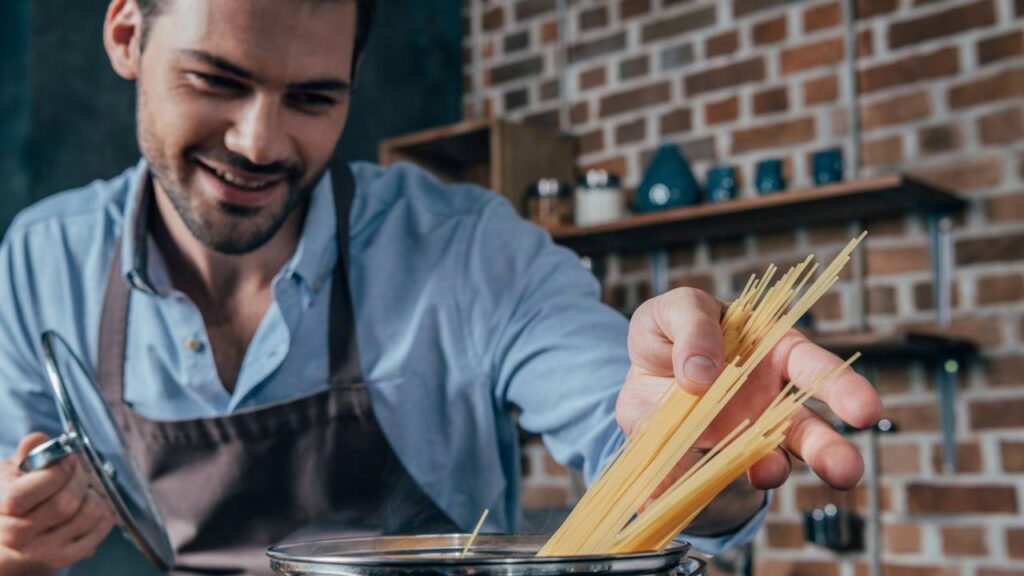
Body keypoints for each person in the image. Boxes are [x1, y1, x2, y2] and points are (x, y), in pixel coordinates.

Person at [0, 1, 882, 574]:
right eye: (216, 80)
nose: (261, 141)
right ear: (126, 35)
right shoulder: (43, 260)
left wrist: (699, 443)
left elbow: (635, 440)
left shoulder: (469, 252)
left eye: (312, 99)